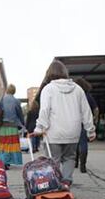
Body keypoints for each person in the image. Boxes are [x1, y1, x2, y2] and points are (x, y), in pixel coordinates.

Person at [32, 60, 96, 188]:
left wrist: (39, 128)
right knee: (69, 158)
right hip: (73, 131)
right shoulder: (78, 89)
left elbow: (45, 110)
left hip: (53, 132)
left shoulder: (48, 89)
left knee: (52, 159)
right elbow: (86, 111)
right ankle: (66, 182)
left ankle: (54, 184)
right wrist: (90, 130)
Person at [0, 84, 24, 169]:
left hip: (1, 126)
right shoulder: (16, 101)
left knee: (3, 144)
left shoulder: (1, 99)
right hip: (12, 126)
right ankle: (7, 161)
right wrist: (23, 124)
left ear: (7, 90)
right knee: (11, 144)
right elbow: (20, 114)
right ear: (14, 91)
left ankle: (4, 161)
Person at [74, 78, 98, 172]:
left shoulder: (74, 95)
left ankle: (75, 162)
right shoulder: (88, 96)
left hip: (74, 122)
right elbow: (96, 109)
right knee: (83, 143)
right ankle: (83, 166)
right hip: (85, 122)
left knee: (75, 143)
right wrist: (94, 119)